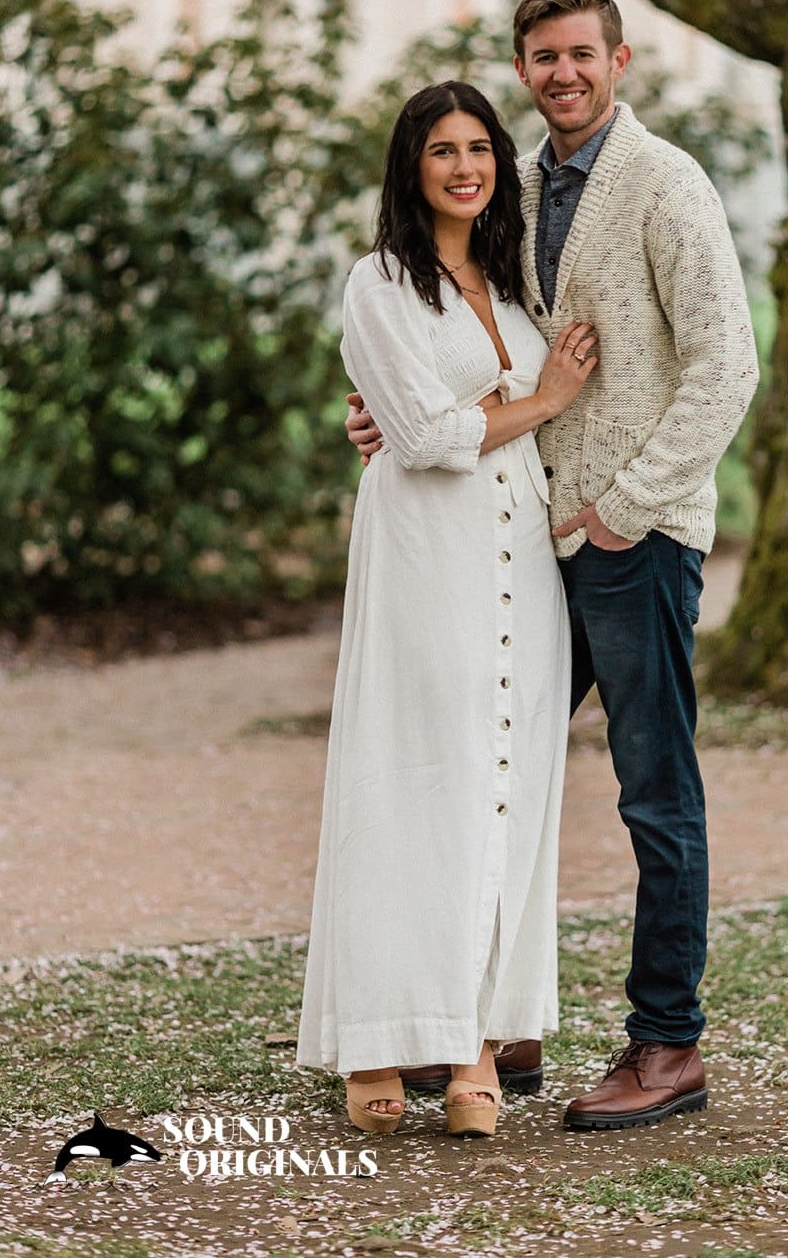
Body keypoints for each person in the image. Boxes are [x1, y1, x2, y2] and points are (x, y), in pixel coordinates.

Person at [347, 0, 760, 1131]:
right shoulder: (516, 186)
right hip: (526, 542)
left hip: (631, 539)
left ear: (618, 61)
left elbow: (725, 367)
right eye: (543, 56)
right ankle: (494, 1013)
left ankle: (666, 1042)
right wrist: (388, 411)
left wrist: (626, 507)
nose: (562, 73)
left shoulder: (665, 183)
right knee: (503, 768)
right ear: (523, 67)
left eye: (582, 53)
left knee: (653, 788)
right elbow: (474, 341)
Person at [296, 80, 598, 1138]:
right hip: (426, 555)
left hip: (521, 555)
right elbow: (422, 438)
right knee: (409, 779)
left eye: (479, 148)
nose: (464, 167)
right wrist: (537, 400)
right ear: (410, 166)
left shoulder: (513, 285)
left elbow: (447, 418)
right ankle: (376, 1038)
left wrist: (492, 409)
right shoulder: (379, 284)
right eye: (442, 150)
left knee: (502, 791)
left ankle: (473, 1040)